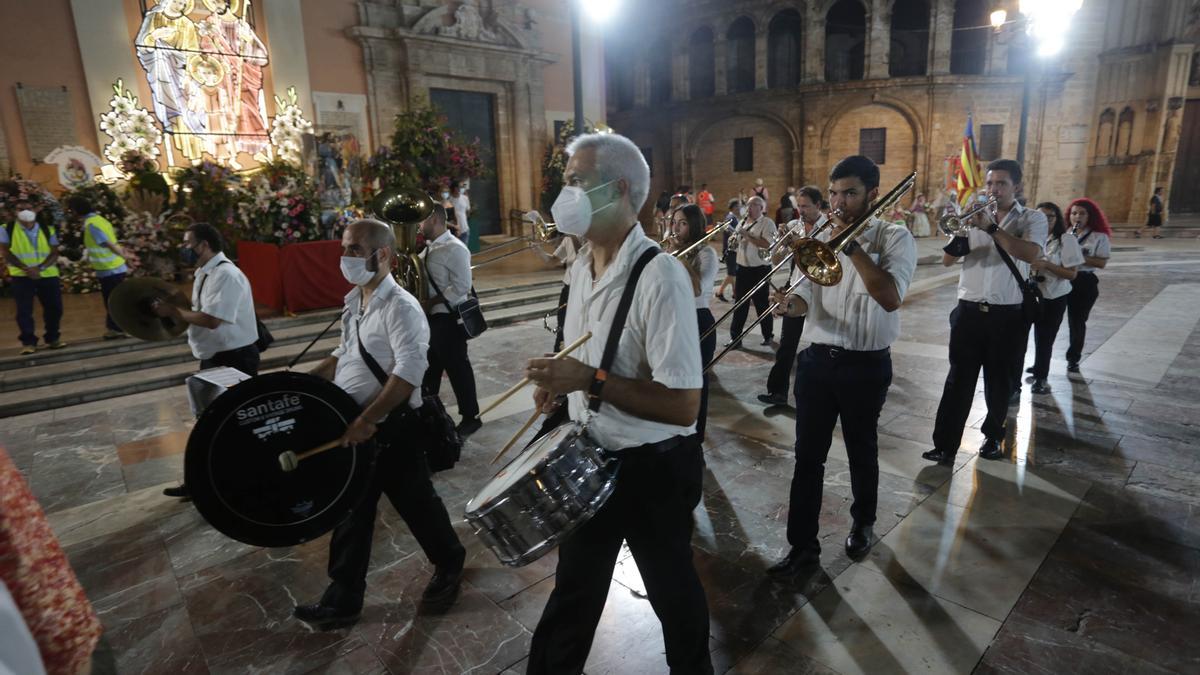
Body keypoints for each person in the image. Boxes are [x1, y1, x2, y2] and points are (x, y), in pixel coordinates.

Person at [526, 132, 712, 674]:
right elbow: (584, 350)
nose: (565, 194)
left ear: (620, 189)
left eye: (576, 182)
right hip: (590, 461)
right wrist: (560, 384)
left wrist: (588, 378)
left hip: (653, 472)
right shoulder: (580, 266)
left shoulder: (662, 276)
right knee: (572, 598)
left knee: (674, 599)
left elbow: (682, 407)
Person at [293, 219, 465, 629]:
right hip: (360, 424)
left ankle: (450, 562)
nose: (345, 257)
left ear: (382, 254)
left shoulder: (401, 307)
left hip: (392, 428)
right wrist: (308, 380)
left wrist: (368, 420)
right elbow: (344, 353)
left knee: (416, 503)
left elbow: (408, 374)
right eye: (344, 248)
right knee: (353, 511)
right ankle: (344, 598)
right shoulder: (355, 301)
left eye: (354, 249)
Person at [767, 155, 917, 576]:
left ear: (872, 194)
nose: (838, 202)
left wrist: (849, 244)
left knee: (860, 449)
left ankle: (863, 521)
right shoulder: (819, 239)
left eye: (849, 193)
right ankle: (801, 548)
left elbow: (889, 296)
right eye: (834, 192)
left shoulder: (894, 238)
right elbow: (807, 302)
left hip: (865, 365)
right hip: (816, 362)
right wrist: (787, 304)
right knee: (807, 458)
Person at [923, 160, 1047, 466]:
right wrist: (962, 232)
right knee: (957, 382)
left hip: (1007, 315)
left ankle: (993, 436)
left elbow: (1030, 253)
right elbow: (947, 262)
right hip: (968, 312)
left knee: (999, 381)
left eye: (1001, 184)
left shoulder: (1032, 218)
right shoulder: (974, 218)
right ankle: (945, 445)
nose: (993, 190)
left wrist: (991, 228)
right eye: (990, 184)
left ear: (1017, 186)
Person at [153, 223, 259, 499]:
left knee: (229, 423)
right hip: (215, 357)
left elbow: (212, 320)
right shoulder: (205, 271)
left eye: (188, 243)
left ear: (204, 245)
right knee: (210, 423)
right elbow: (201, 311)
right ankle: (204, 482)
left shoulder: (226, 275)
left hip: (234, 359)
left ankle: (239, 479)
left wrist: (175, 311)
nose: (184, 249)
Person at [758, 186, 826, 406]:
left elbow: (819, 262)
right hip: (796, 284)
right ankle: (777, 392)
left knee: (822, 343)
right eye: (799, 206)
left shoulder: (828, 228)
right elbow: (776, 260)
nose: (801, 211)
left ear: (818, 205)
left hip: (822, 288)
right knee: (787, 343)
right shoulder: (794, 226)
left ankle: (820, 397)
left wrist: (796, 245)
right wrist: (781, 242)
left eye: (806, 206)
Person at [419, 204, 482, 437]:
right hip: (431, 320)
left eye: (422, 221)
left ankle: (471, 417)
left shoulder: (455, 248)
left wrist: (432, 302)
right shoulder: (426, 250)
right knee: (430, 371)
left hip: (448, 319)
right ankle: (430, 416)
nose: (419, 226)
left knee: (458, 370)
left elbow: (462, 286)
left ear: (435, 220)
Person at [668, 203, 720, 438]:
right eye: (674, 222)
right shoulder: (671, 253)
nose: (676, 228)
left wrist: (679, 258)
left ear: (695, 224)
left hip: (698, 319)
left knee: (697, 381)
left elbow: (697, 289)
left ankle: (695, 438)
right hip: (675, 318)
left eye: (683, 223)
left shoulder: (706, 253)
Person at [1023, 202, 1083, 394]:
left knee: (1045, 337)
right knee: (1023, 336)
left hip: (1054, 296)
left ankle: (1041, 378)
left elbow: (1072, 274)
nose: (1045, 220)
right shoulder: (1030, 238)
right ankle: (1036, 366)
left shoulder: (1067, 240)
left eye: (1050, 216)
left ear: (1057, 219)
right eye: (1041, 216)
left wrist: (1046, 266)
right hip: (1031, 294)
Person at [1, 202, 65, 355]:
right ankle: (28, 342)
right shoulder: (6, 229)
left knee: (55, 308)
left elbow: (54, 252)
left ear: (36, 210)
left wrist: (40, 268)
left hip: (48, 274)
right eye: (20, 208)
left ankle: (52, 338)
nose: (25, 211)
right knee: (24, 310)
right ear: (14, 211)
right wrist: (26, 268)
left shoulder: (47, 228)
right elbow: (6, 252)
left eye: (28, 208)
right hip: (22, 276)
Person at [66, 196, 131, 339]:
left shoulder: (92, 225)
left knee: (113, 300)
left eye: (71, 210)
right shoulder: (99, 220)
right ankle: (116, 327)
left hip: (109, 268)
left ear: (76, 211)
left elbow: (108, 243)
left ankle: (118, 328)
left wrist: (125, 256)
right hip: (113, 266)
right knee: (114, 299)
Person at [1065, 197, 1112, 373]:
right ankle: (1041, 361)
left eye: (1082, 213)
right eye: (1074, 213)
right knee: (1049, 320)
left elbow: (1101, 263)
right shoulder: (1065, 233)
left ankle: (1073, 358)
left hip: (1084, 281)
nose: (1077, 217)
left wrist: (1075, 255)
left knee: (1077, 322)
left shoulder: (1099, 236)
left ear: (1089, 216)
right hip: (1061, 278)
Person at [727, 195, 777, 348]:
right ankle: (735, 338)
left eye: (753, 205)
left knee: (761, 304)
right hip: (742, 269)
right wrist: (733, 241)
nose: (748, 208)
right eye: (747, 205)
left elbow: (767, 244)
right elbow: (736, 244)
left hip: (760, 270)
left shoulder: (767, 223)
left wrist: (747, 235)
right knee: (740, 304)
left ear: (761, 208)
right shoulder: (742, 222)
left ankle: (768, 335)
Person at [715, 198, 741, 302]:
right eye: (738, 206)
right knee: (732, 274)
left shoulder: (734, 217)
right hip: (730, 250)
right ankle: (731, 293)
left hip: (732, 249)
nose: (740, 208)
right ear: (734, 207)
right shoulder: (731, 218)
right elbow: (730, 231)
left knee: (732, 273)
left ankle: (723, 292)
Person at [450, 179, 471, 246]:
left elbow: (468, 211)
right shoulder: (449, 200)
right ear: (455, 188)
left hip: (465, 229)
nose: (461, 189)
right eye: (460, 187)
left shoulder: (465, 198)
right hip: (454, 231)